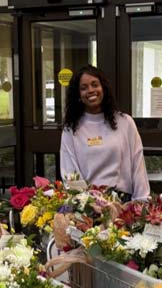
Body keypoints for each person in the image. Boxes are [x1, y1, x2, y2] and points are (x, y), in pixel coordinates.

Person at [60, 65, 150, 200]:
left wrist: (141, 201)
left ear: (103, 88)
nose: (90, 90)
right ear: (78, 95)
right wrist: (84, 205)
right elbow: (70, 173)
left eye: (95, 85)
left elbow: (137, 164)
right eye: (83, 88)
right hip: (87, 205)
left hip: (122, 203)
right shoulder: (71, 129)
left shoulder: (125, 122)